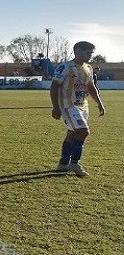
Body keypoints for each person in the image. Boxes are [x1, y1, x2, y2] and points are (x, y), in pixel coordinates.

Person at [50, 41, 105, 176]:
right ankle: (74, 163)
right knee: (83, 132)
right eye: (88, 53)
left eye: (91, 53)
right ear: (77, 51)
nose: (90, 56)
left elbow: (90, 87)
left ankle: (63, 164)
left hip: (82, 106)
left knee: (72, 133)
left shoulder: (88, 68)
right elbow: (54, 86)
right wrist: (55, 107)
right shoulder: (65, 67)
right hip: (68, 106)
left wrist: (99, 103)